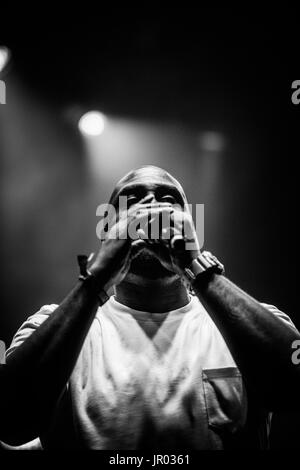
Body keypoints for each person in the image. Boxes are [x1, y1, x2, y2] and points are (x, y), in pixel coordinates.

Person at [0, 165, 299, 450]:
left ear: (193, 228)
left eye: (168, 200)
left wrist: (196, 268)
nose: (151, 207)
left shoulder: (250, 319)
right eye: (131, 201)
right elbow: (11, 420)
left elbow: (292, 389)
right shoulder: (52, 323)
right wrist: (96, 280)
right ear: (107, 230)